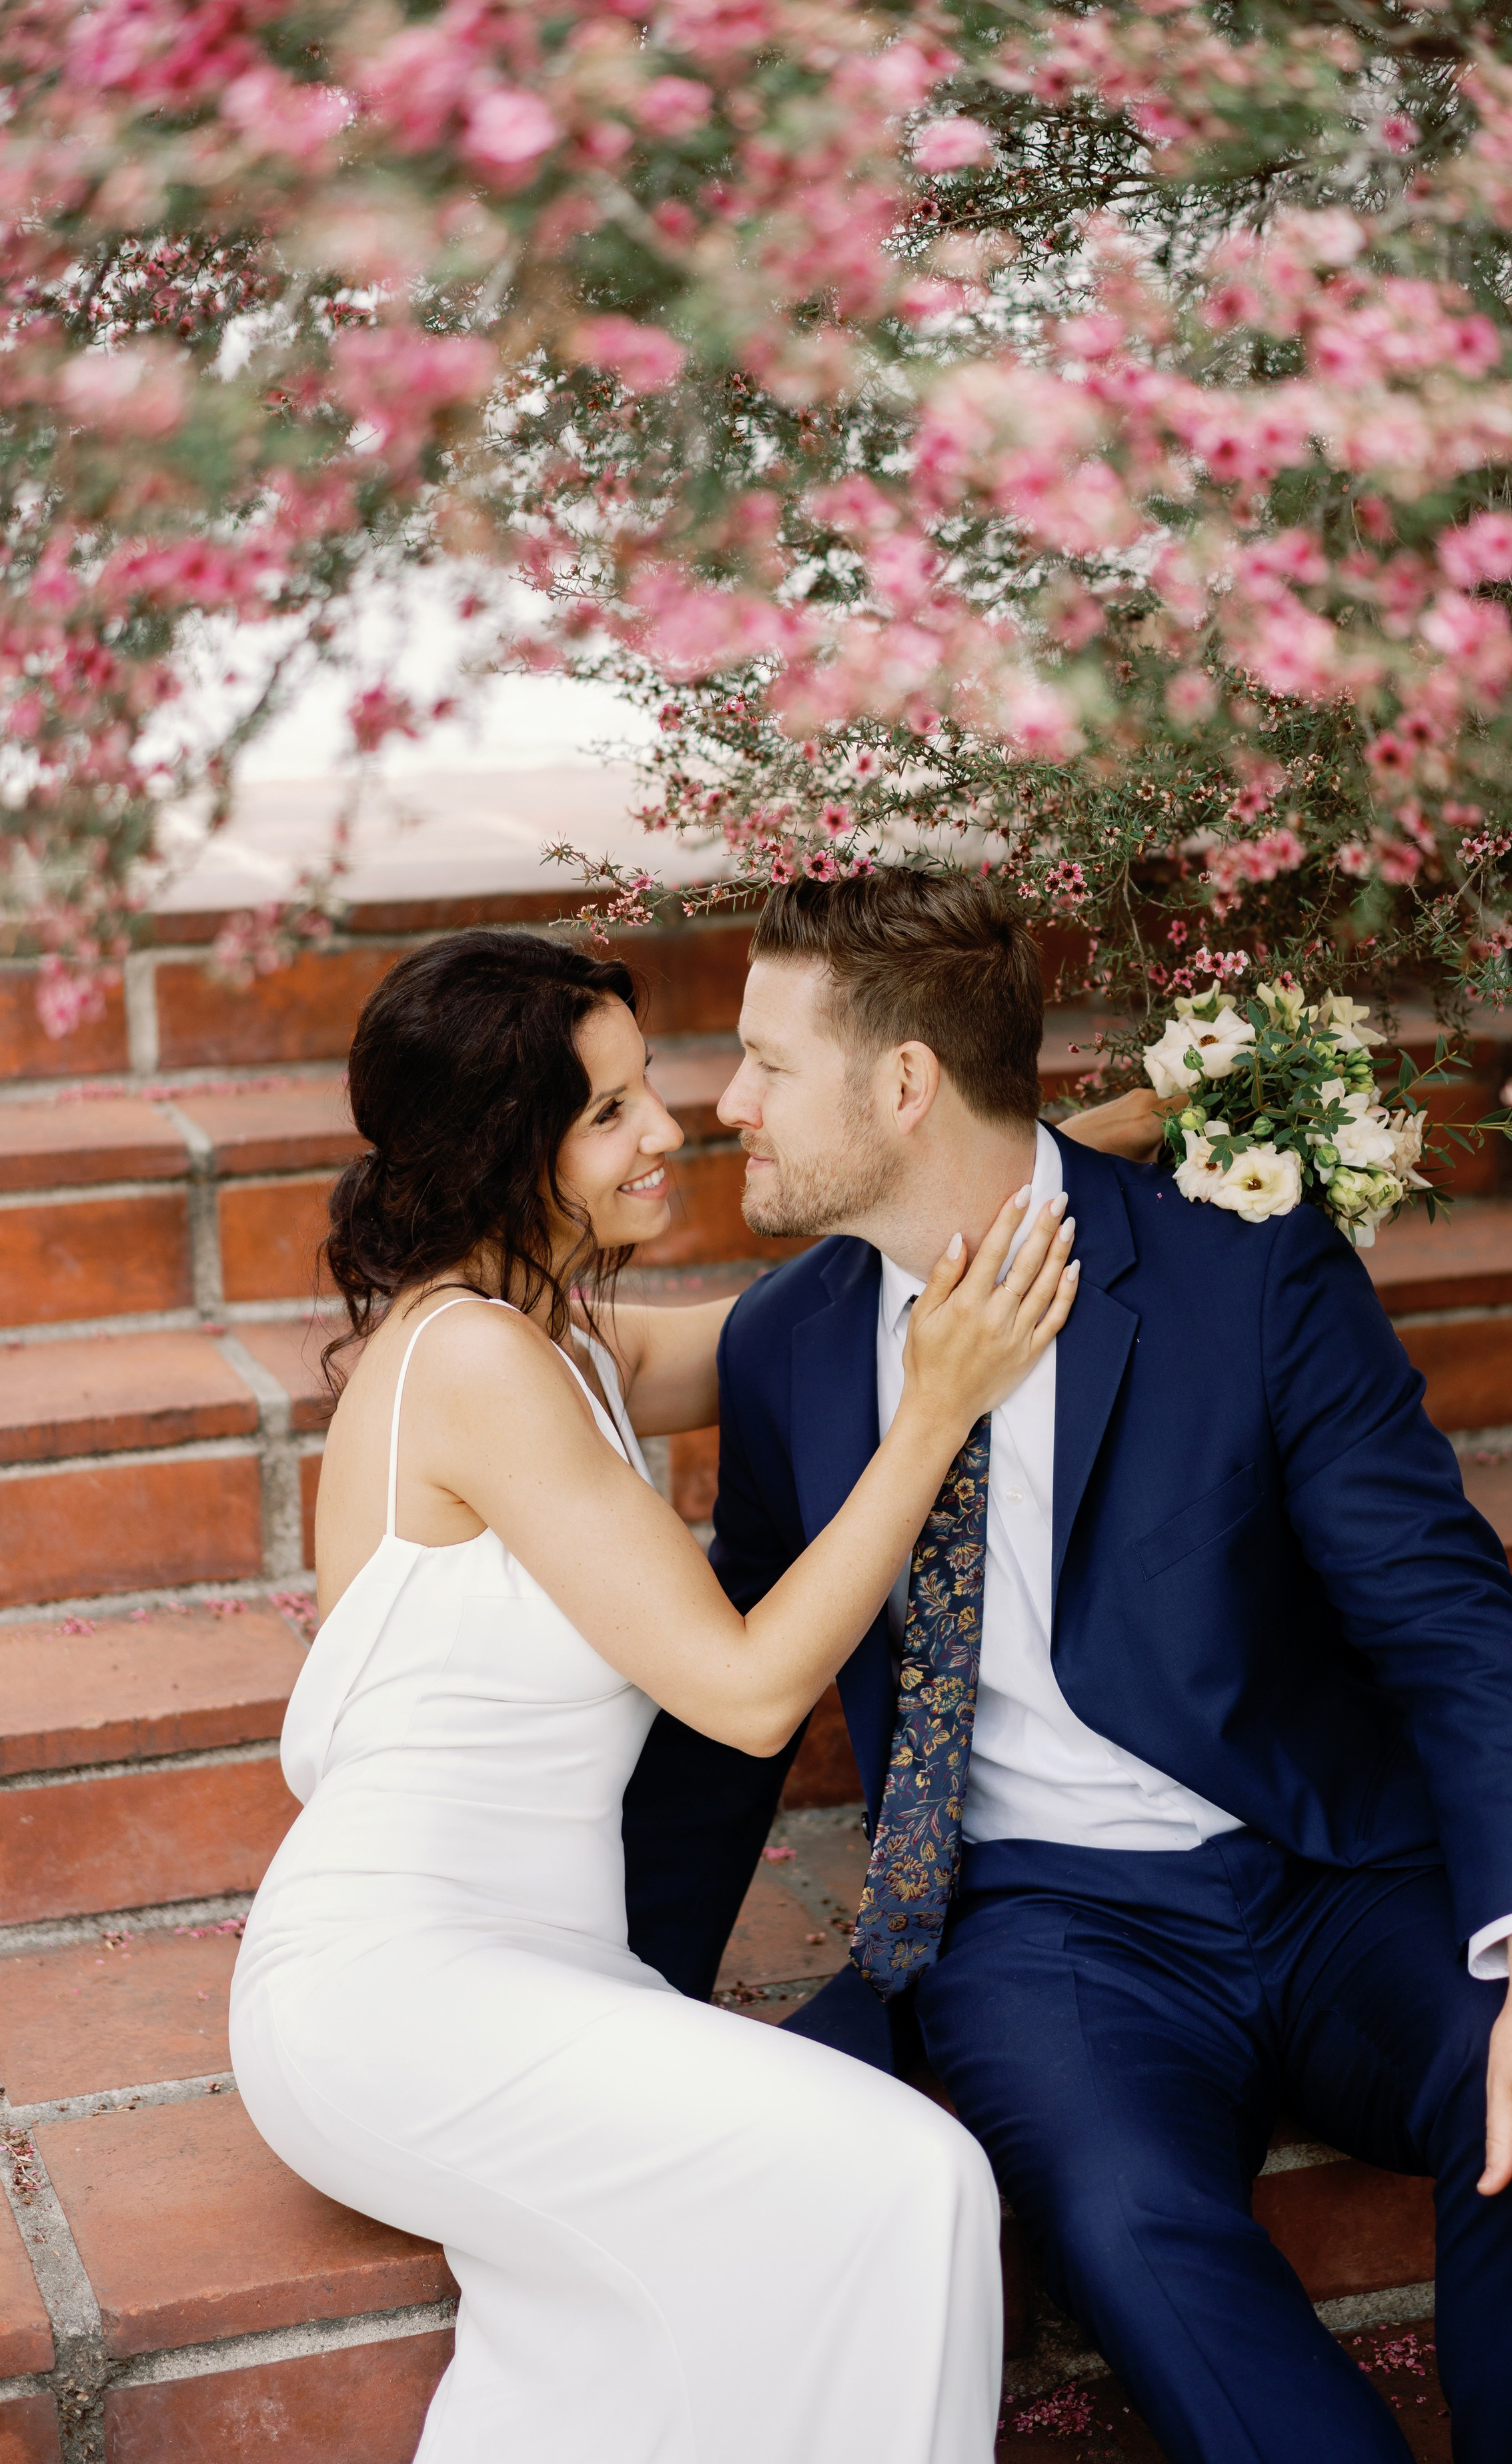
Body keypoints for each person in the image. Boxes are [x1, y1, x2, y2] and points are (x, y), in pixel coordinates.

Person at [623, 866, 1512, 2464]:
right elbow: (736, 1710)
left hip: (1326, 1865)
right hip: (1044, 1919)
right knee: (1125, 2219)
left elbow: (1447, 1621)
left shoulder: (1236, 1269)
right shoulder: (789, 1346)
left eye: (768, 1060)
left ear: (904, 1083)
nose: (727, 1102)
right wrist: (617, 1997)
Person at [229, 925, 1085, 2464]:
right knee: (914, 2176)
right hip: (395, 1991)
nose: (670, 1128)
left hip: (540, 1979)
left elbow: (777, 1329)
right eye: (611, 1109)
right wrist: (939, 1409)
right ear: (513, 1149)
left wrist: (1063, 1149)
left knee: (703, 2295)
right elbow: (751, 1692)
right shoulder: (475, 1364)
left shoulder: (553, 1343)